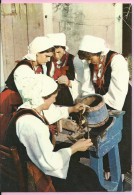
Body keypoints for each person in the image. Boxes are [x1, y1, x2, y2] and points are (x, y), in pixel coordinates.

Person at [4, 75, 106, 192]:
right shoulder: (32, 125)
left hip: (30, 161)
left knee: (73, 158)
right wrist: (74, 148)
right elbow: (50, 164)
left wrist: (72, 109)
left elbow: (51, 113)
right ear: (42, 97)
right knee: (87, 175)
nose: (55, 100)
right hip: (34, 174)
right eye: (53, 97)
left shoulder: (28, 107)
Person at [76, 35, 132, 176]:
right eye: (87, 59)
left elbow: (117, 96)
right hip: (101, 102)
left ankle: (121, 171)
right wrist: (88, 102)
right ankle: (105, 169)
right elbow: (87, 87)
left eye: (90, 58)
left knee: (121, 133)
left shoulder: (116, 60)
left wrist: (100, 104)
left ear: (99, 52)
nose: (89, 61)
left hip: (121, 100)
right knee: (101, 135)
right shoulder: (89, 62)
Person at [46, 33, 76, 106]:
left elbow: (78, 82)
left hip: (67, 94)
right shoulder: (47, 60)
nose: (56, 55)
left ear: (64, 49)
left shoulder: (72, 60)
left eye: (59, 52)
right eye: (53, 53)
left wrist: (68, 82)